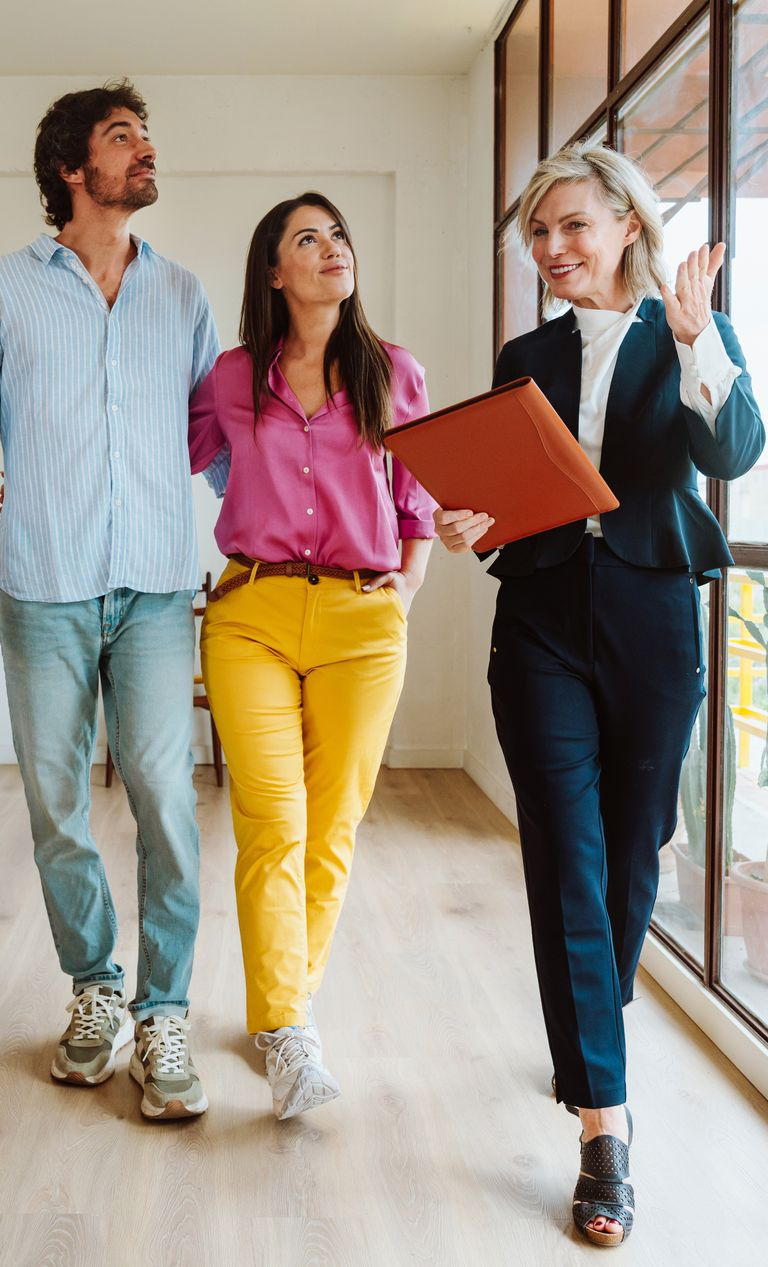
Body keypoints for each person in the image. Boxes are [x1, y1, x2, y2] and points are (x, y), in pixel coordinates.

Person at [433, 143, 764, 1247]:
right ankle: (603, 1128)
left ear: (627, 222)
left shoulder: (686, 333)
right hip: (537, 623)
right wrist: (471, 518)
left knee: (634, 851)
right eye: (539, 233)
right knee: (565, 858)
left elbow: (736, 449)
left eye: (572, 226)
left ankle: (593, 1022)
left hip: (653, 619)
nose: (553, 250)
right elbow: (510, 487)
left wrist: (697, 339)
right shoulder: (527, 348)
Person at [188, 192, 436, 1119]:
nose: (332, 249)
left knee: (331, 827)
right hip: (249, 609)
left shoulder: (391, 371)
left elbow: (417, 497)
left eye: (338, 235)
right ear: (274, 271)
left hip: (362, 622)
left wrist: (406, 589)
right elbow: (164, 451)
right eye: (308, 238)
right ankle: (290, 1029)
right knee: (271, 817)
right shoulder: (229, 376)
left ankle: (278, 1009)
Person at [0, 81, 219, 1119]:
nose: (145, 150)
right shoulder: (9, 290)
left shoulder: (182, 295)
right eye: (122, 137)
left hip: (157, 590)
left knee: (166, 805)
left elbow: (221, 443)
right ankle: (94, 988)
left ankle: (162, 1005)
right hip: (41, 583)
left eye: (145, 134)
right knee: (54, 804)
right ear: (69, 169)